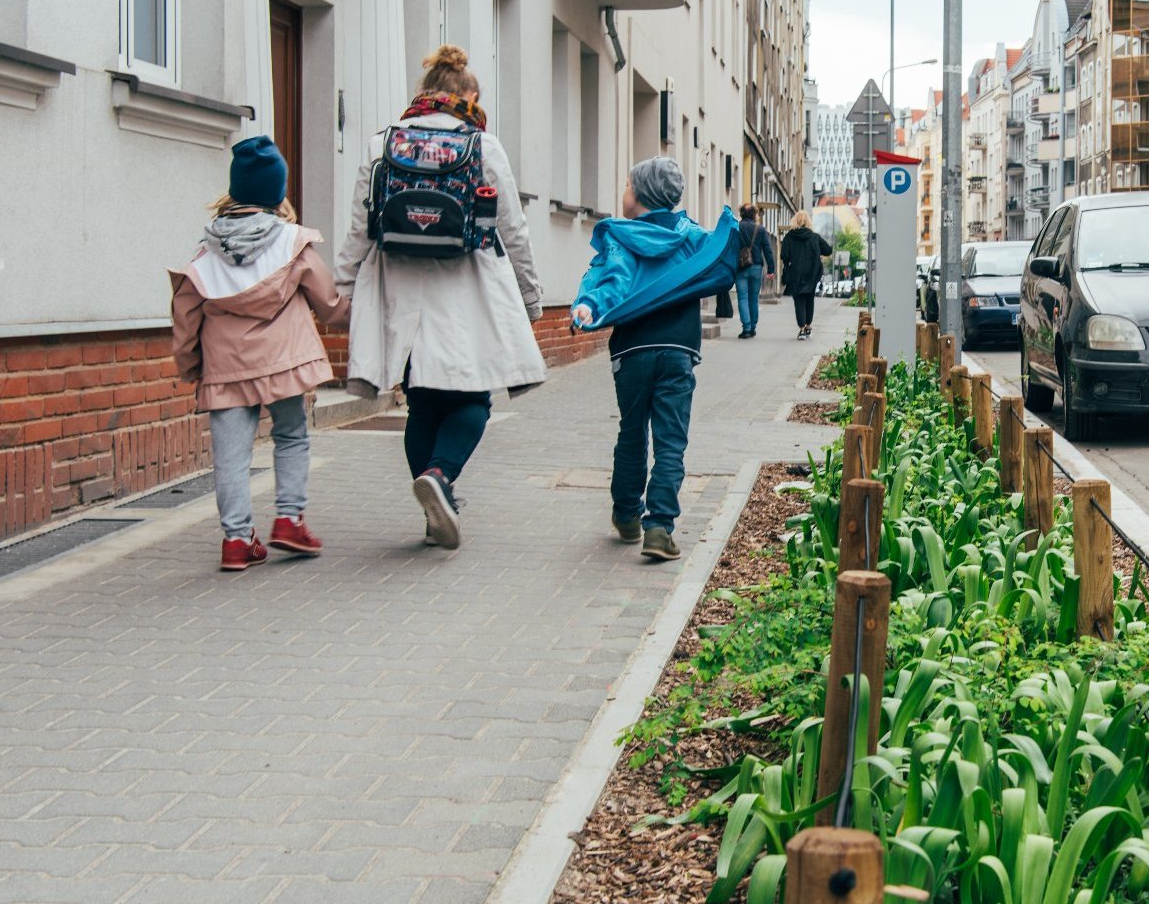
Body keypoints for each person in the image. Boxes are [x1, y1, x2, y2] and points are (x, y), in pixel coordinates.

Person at [334, 44, 548, 551]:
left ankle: (436, 505)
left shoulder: (381, 144)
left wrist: (342, 289)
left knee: (422, 404)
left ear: (423, 91)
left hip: (400, 291)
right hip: (467, 288)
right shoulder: (483, 146)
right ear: (467, 96)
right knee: (474, 398)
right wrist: (530, 295)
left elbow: (360, 229)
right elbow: (513, 229)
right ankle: (440, 476)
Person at [170, 137, 350, 573]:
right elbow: (329, 305)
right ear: (277, 192)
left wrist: (192, 367)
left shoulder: (206, 250)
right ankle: (289, 519)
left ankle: (236, 541)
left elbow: (186, 316)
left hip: (226, 367)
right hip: (283, 362)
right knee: (290, 434)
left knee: (230, 457)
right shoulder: (293, 243)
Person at [572, 158, 732, 561]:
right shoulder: (691, 236)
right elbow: (718, 258)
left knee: (632, 433)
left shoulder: (622, 237)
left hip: (632, 351)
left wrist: (590, 305)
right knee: (671, 442)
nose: (623, 192)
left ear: (639, 195)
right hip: (679, 351)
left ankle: (627, 515)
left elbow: (614, 280)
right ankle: (659, 527)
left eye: (627, 185)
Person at [778, 210, 832, 341]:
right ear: (808, 221)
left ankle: (801, 329)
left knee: (799, 301)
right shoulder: (814, 237)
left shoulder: (789, 237)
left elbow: (784, 255)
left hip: (795, 274)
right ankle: (808, 326)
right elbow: (828, 250)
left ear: (795, 221)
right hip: (812, 274)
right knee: (809, 299)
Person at [734, 204, 777, 339]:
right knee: (754, 298)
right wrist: (771, 269)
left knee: (742, 298)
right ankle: (753, 327)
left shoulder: (736, 227)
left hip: (740, 267)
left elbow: (730, 247)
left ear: (741, 214)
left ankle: (746, 327)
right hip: (756, 267)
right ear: (754, 214)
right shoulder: (760, 229)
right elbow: (768, 250)